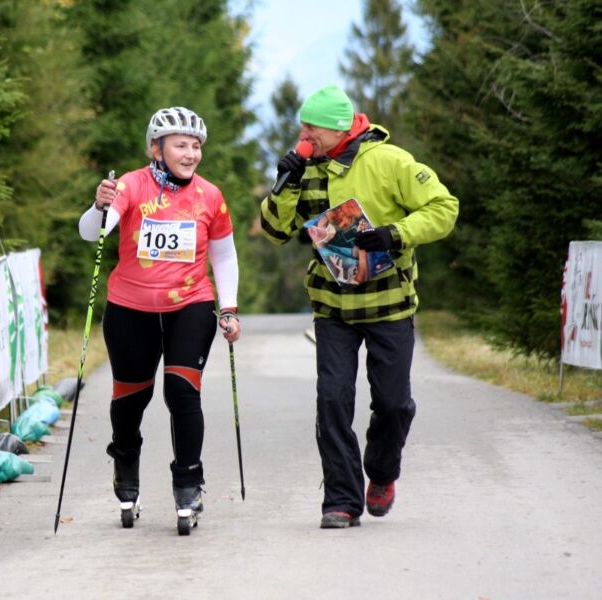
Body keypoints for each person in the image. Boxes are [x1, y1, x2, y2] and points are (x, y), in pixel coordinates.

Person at [259, 84, 459, 529]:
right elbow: (273, 232)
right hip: (333, 309)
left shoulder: (390, 161)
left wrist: (397, 233)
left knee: (392, 404)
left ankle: (383, 472)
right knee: (332, 401)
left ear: (336, 128)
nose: (303, 135)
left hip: (390, 305)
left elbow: (445, 208)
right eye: (301, 126)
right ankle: (342, 501)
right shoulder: (304, 168)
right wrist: (284, 183)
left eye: (310, 127)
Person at [79, 106, 240, 534]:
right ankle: (125, 465)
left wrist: (229, 307)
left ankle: (188, 484)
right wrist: (100, 206)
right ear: (156, 148)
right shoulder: (130, 185)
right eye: (181, 145)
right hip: (131, 307)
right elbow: (93, 232)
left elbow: (223, 253)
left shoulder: (210, 195)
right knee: (131, 399)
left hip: (191, 303)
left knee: (182, 393)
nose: (190, 154)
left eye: (196, 146)